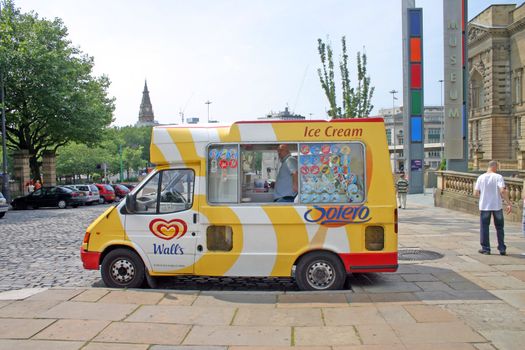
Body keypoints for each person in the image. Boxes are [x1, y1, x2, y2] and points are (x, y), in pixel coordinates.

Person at [474, 160, 512, 255]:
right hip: (496, 205)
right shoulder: (498, 177)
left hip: (484, 205)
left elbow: (475, 193)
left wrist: (483, 197)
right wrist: (508, 203)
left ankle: (486, 249)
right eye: (497, 167)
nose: (497, 169)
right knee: (499, 227)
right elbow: (502, 191)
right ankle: (502, 248)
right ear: (494, 167)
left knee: (484, 227)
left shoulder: (481, 177)